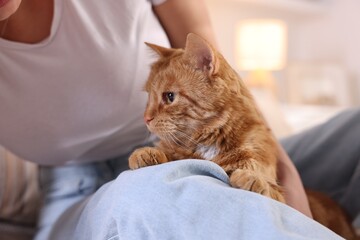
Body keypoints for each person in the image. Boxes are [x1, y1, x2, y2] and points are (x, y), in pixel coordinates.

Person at [0, 0, 357, 239]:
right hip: (81, 190)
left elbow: (220, 79)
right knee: (149, 193)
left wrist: (285, 178)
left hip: (196, 146)